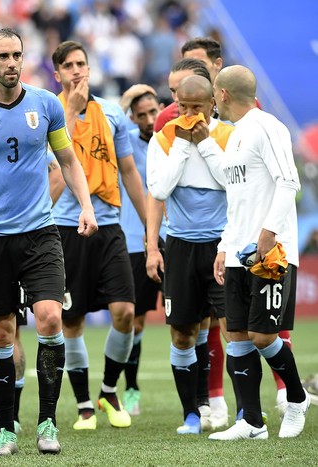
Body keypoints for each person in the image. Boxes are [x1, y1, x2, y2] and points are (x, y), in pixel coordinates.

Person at [0, 28, 97, 456]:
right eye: (3, 56)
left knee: (49, 318)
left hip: (40, 233)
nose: (12, 62)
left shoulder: (46, 104)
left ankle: (48, 422)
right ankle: (7, 428)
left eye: (17, 55)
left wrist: (85, 205)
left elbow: (67, 158)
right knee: (3, 332)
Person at [49, 40, 147, 431]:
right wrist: (70, 112)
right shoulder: (47, 110)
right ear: (57, 74)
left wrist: (154, 233)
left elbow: (128, 171)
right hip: (65, 226)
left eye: (82, 64)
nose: (77, 71)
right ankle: (84, 406)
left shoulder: (111, 112)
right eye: (69, 66)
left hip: (109, 225)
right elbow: (49, 169)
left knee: (125, 312)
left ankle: (108, 390)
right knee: (70, 322)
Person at [210, 65, 309, 440]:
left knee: (264, 336)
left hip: (271, 253)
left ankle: (296, 398)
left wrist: (267, 234)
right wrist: (224, 245)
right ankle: (251, 421)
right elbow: (238, 201)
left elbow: (289, 181)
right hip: (237, 251)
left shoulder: (268, 126)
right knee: (236, 334)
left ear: (221, 94)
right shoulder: (235, 136)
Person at [146, 75, 234, 435]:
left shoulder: (229, 136)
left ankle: (246, 414)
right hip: (180, 246)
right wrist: (184, 145)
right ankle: (192, 416)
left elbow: (234, 182)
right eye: (182, 107)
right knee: (182, 335)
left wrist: (206, 144)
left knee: (235, 331)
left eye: (196, 107)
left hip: (222, 245)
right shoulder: (164, 139)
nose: (188, 115)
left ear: (212, 104)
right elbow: (160, 188)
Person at [118, 84, 165, 416]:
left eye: (154, 111)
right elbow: (105, 129)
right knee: (135, 321)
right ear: (132, 117)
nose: (150, 119)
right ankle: (131, 388)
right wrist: (122, 105)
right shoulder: (126, 143)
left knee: (196, 320)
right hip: (136, 240)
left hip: (175, 238)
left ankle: (207, 401)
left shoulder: (174, 139)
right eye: (142, 114)